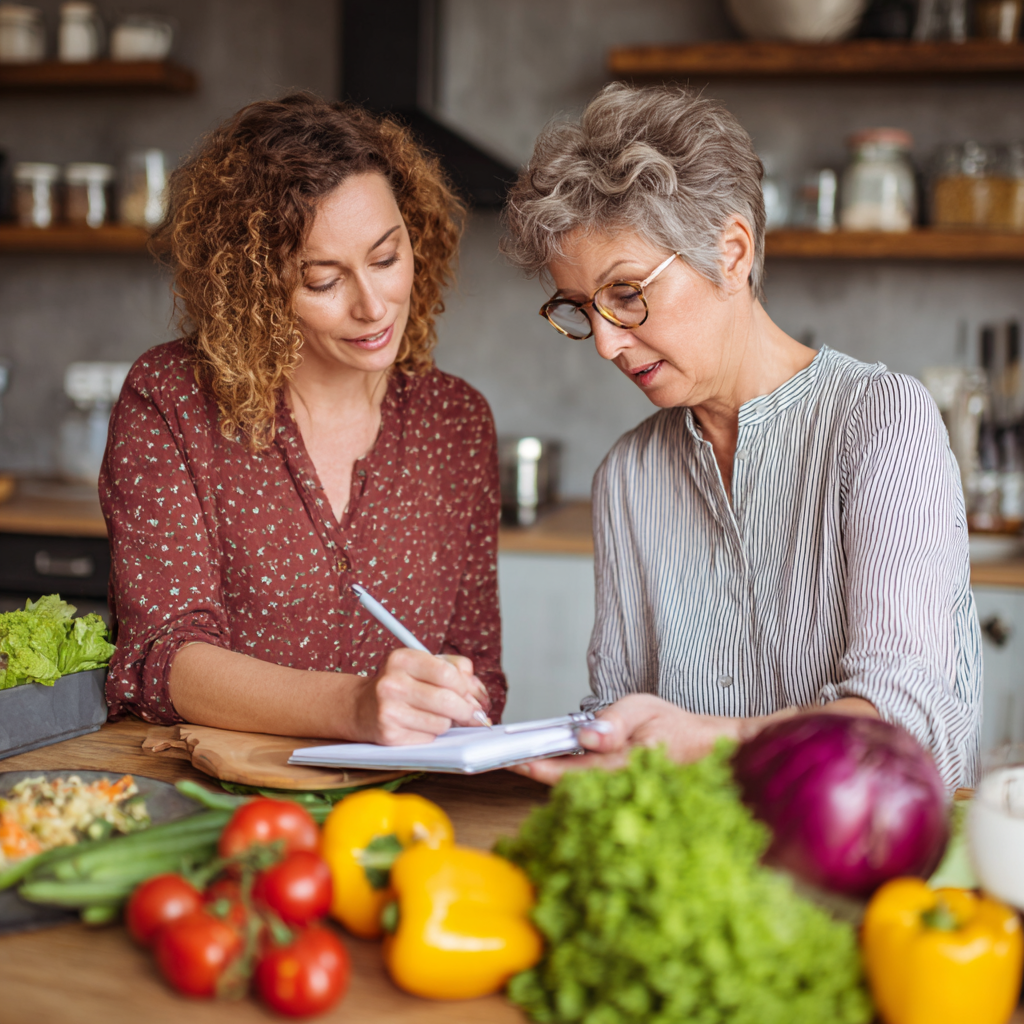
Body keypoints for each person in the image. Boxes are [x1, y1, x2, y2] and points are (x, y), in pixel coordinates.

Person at [501, 83, 980, 789]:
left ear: (731, 250)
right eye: (580, 309)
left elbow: (907, 725)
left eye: (626, 293)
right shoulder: (628, 476)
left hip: (873, 877)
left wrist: (708, 744)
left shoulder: (882, 420)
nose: (604, 342)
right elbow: (621, 715)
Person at [100, 93, 505, 743]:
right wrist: (354, 706)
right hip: (226, 805)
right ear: (256, 284)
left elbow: (478, 666)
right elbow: (162, 655)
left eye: (385, 256)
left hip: (401, 811)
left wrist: (451, 699)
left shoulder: (455, 421)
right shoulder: (171, 399)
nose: (374, 307)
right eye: (323, 280)